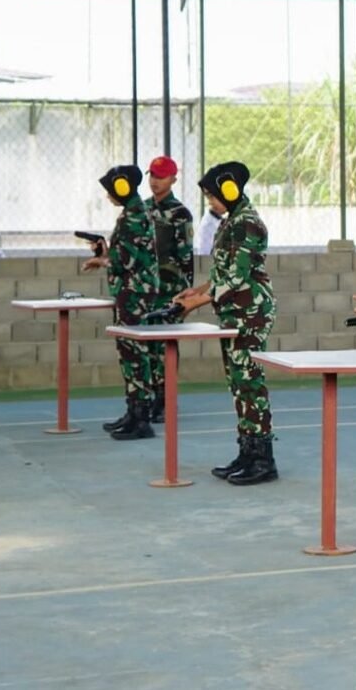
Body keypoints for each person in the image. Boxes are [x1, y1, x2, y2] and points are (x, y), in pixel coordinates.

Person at [174, 162, 279, 485]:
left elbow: (237, 275)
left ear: (230, 191)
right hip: (233, 312)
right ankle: (247, 451)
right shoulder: (231, 221)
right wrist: (200, 290)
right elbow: (223, 273)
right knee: (238, 384)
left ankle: (263, 459)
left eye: (213, 196)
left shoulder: (248, 224)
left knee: (250, 384)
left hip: (250, 312)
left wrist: (197, 303)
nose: (211, 203)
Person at [82, 165, 162, 441]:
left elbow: (123, 262)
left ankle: (141, 417)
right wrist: (105, 252)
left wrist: (101, 260)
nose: (108, 197)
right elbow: (125, 255)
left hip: (135, 293)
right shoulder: (133, 213)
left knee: (134, 353)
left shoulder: (133, 217)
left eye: (110, 191)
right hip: (132, 292)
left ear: (121, 188)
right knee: (129, 352)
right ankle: (134, 411)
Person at [143, 155, 194, 425]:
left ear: (173, 179)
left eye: (161, 176)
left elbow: (186, 256)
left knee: (166, 348)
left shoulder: (180, 214)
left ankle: (165, 399)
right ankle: (149, 397)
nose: (155, 181)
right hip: (146, 290)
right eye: (152, 175)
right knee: (147, 347)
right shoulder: (141, 210)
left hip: (170, 290)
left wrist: (188, 296)